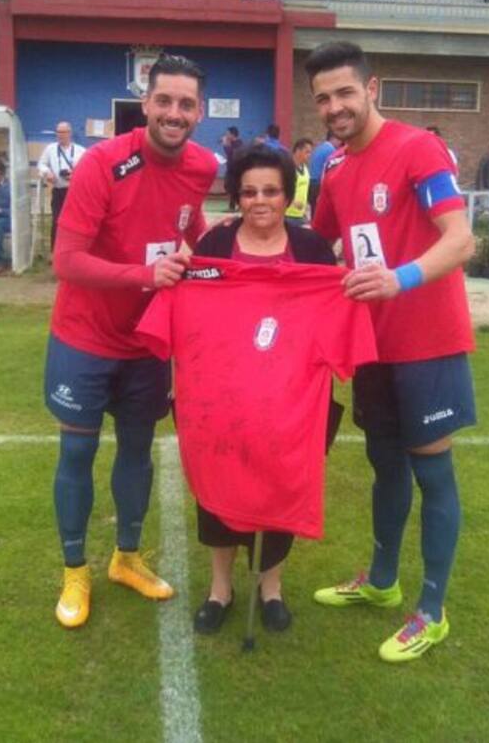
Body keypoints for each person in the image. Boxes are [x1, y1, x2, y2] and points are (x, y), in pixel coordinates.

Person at [137, 143, 370, 637]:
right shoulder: (215, 246)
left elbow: (335, 311)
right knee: (217, 493)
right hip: (218, 404)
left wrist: (349, 290)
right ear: (236, 197)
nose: (259, 201)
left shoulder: (310, 249)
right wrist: (176, 275)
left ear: (287, 195)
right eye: (248, 192)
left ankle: (272, 589)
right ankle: (220, 589)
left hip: (291, 406)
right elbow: (185, 303)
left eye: (270, 191)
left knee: (281, 489)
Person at [305, 41, 476, 664]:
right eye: (323, 98)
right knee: (384, 463)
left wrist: (398, 279)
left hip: (428, 342)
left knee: (432, 472)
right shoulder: (334, 168)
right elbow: (312, 245)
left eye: (345, 92)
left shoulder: (417, 149)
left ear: (371, 88)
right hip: (371, 345)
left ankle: (432, 611)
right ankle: (382, 581)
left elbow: (461, 239)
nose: (335, 107)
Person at [46, 53, 219, 629]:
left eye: (186, 104)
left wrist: (218, 253)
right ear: (145, 104)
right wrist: (146, 275)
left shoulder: (202, 165)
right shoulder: (102, 163)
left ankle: (126, 557)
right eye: (164, 101)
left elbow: (190, 226)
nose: (174, 113)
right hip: (85, 337)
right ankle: (75, 570)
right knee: (77, 452)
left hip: (148, 341)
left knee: (138, 450)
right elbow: (67, 260)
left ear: (200, 112)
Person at [38, 121, 86, 252]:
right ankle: (55, 253)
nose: (60, 135)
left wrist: (75, 175)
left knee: (75, 223)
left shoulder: (81, 151)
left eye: (63, 132)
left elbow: (88, 169)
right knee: (57, 222)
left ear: (69, 133)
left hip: (75, 192)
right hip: (58, 191)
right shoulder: (50, 149)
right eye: (58, 132)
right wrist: (47, 173)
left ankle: (75, 251)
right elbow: (41, 164)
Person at [308, 133, 338, 214]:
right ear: (333, 138)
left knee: (313, 210)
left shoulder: (319, 147)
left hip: (311, 182)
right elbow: (332, 169)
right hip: (318, 183)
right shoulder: (331, 150)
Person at [285, 138, 314, 222]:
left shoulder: (305, 169)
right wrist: (293, 202)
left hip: (301, 214)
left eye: (310, 152)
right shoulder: (288, 168)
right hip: (288, 215)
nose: (309, 155)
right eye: (307, 152)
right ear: (298, 151)